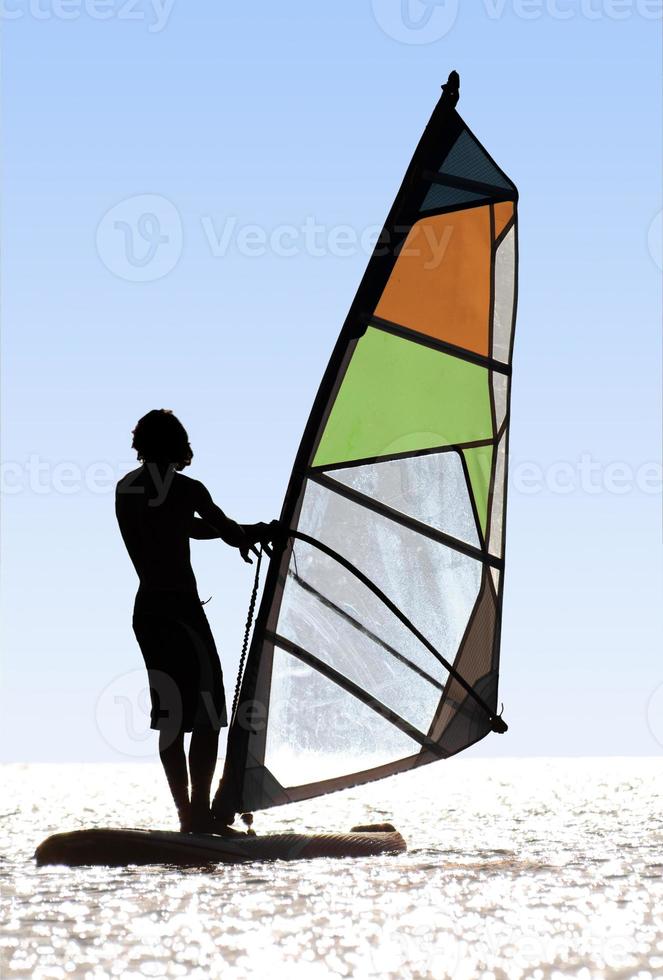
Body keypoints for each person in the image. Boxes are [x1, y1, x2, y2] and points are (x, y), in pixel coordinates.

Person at [115, 409, 277, 835]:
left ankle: (188, 815)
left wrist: (244, 532)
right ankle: (200, 814)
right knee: (207, 714)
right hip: (182, 612)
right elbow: (221, 528)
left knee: (171, 717)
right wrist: (256, 532)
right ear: (178, 446)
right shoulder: (188, 489)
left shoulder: (126, 490)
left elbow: (187, 528)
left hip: (148, 613)